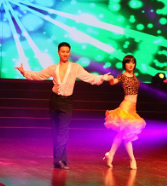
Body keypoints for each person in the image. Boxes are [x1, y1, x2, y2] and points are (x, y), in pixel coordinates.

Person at [15, 42, 111, 170]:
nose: (65, 54)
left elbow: (89, 77)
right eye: (63, 51)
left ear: (69, 53)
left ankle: (58, 160)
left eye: (67, 51)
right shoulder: (53, 68)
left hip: (66, 102)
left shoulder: (75, 67)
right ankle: (61, 160)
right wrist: (24, 72)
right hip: (54, 100)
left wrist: (102, 78)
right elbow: (39, 75)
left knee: (63, 131)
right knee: (56, 131)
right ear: (58, 53)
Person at [104, 55, 146, 170]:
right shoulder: (122, 76)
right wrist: (110, 78)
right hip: (126, 107)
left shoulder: (134, 75)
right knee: (127, 136)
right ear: (124, 64)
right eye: (128, 62)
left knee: (124, 135)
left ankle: (110, 154)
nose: (131, 64)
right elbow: (113, 82)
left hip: (133, 110)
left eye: (133, 62)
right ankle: (132, 159)